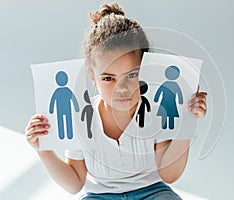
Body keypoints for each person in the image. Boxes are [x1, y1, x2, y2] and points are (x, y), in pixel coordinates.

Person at [25, 3, 207, 200]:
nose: (121, 89)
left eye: (132, 75)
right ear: (93, 77)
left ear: (147, 70)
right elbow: (74, 183)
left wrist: (187, 125)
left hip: (152, 192)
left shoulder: (156, 113)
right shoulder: (81, 118)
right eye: (108, 78)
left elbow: (169, 175)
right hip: (99, 196)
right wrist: (43, 151)